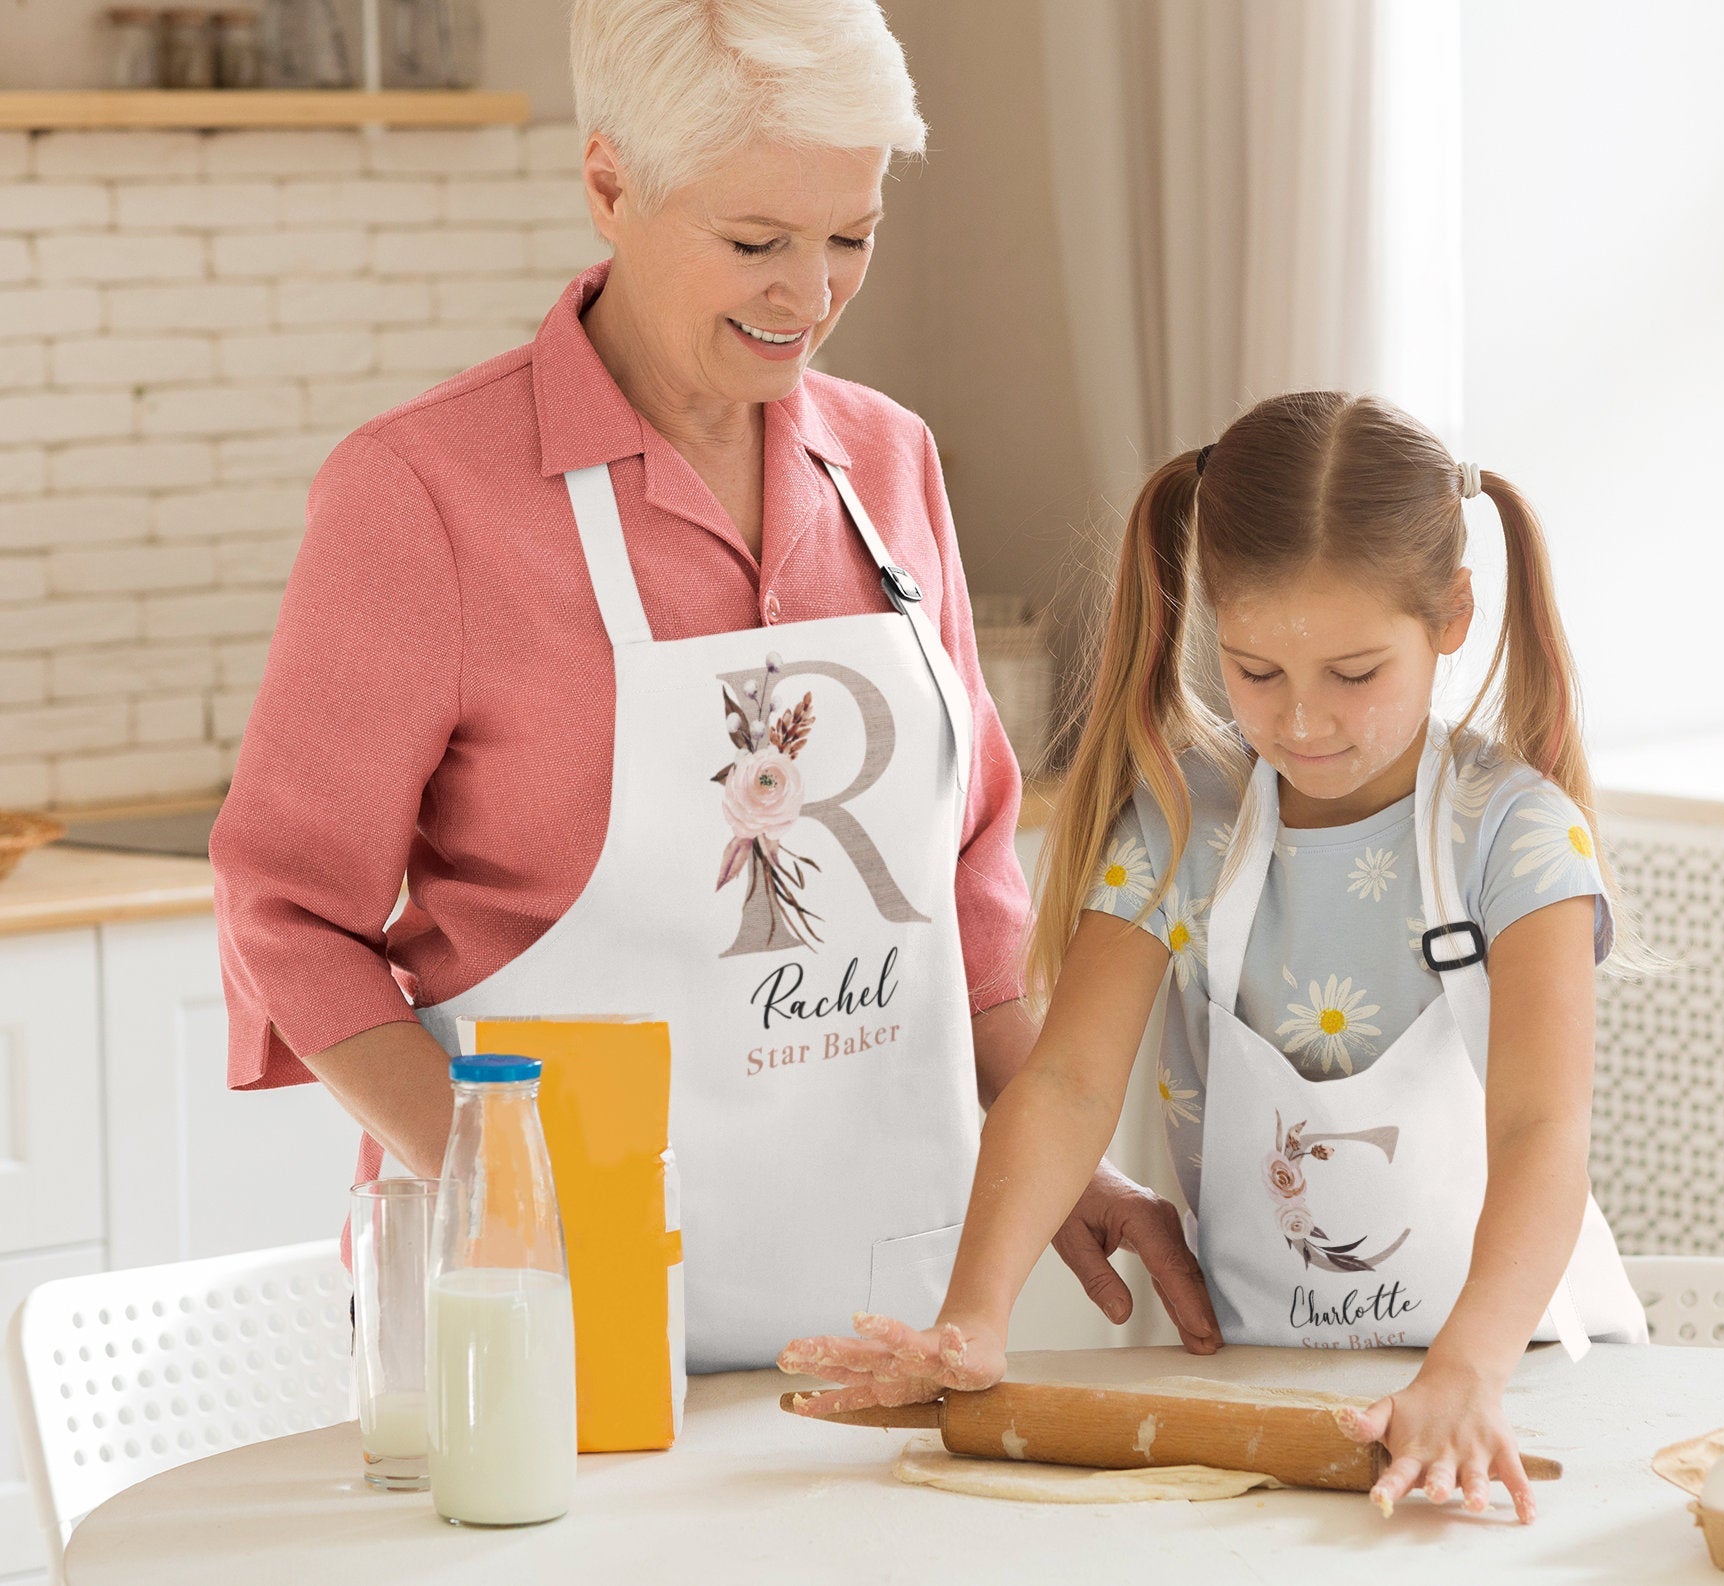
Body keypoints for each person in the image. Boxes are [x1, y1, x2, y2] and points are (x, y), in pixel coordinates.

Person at [211, 0, 1215, 1374]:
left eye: (850, 236)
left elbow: (966, 876)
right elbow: (286, 909)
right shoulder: (424, 494)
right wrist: (495, 1181)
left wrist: (1053, 1164)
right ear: (611, 182)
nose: (810, 296)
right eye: (756, 242)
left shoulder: (888, 464)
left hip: (881, 1311)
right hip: (547, 1299)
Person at [782, 392, 1650, 1517]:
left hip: (1514, 1380)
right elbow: (1067, 1079)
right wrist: (974, 1317)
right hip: (1269, 1393)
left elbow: (1543, 1128)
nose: (1303, 723)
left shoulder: (1516, 834)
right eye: (1254, 671)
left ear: (1451, 615)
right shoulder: (1188, 823)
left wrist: (1465, 1371)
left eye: (1354, 673)